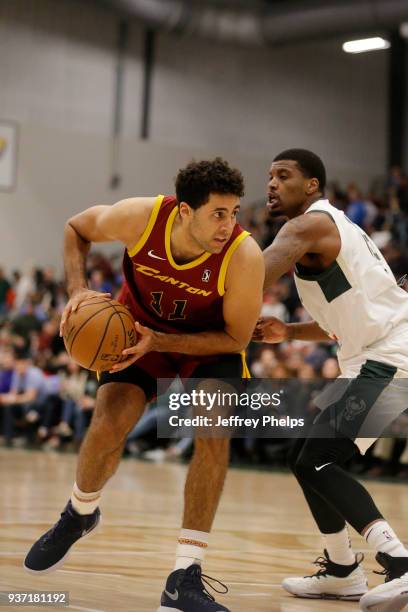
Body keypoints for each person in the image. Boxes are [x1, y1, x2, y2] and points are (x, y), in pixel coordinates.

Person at [24, 158, 264, 612]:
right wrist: (77, 290)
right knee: (109, 424)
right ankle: (79, 513)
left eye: (234, 213)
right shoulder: (142, 218)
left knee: (214, 430)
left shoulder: (243, 255)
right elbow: (76, 228)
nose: (228, 224)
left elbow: (236, 337)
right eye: (218, 213)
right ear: (184, 211)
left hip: (209, 345)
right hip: (136, 333)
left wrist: (165, 340)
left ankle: (184, 577)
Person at [254, 149, 408, 611]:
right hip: (368, 355)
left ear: (313, 186)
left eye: (284, 176)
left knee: (319, 459)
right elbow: (345, 317)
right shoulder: (326, 231)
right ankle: (343, 571)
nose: (273, 184)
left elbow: (252, 277)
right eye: (270, 176)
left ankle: (400, 563)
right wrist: (290, 331)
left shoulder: (307, 226)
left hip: (389, 357)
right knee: (305, 458)